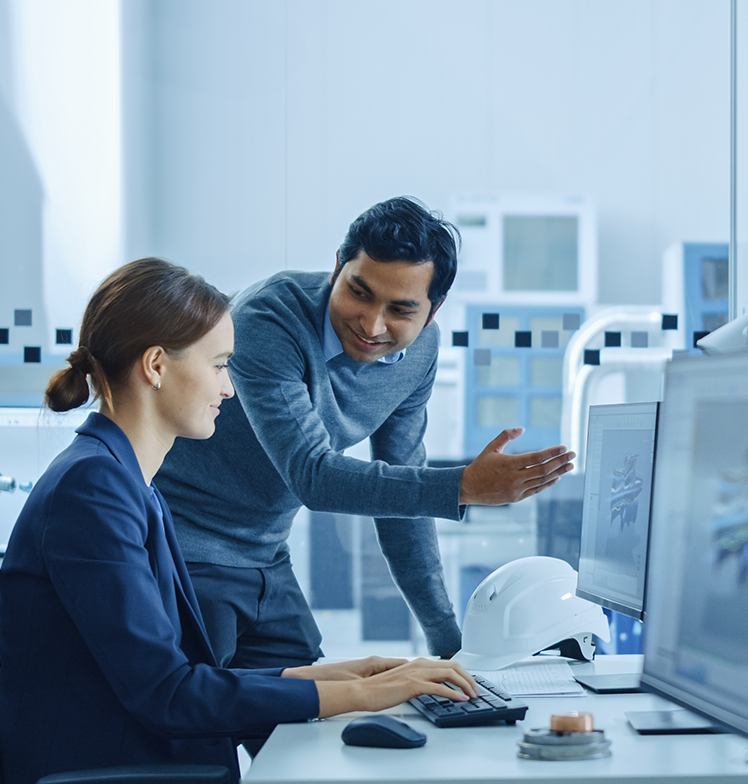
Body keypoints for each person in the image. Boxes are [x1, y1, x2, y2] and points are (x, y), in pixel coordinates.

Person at [0, 257, 479, 784]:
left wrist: (353, 676)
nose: (230, 388)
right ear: (157, 367)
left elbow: (183, 676)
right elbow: (171, 695)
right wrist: (367, 691)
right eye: (221, 365)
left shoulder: (121, 481)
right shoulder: (93, 493)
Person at [155, 196, 575, 673]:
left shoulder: (419, 354)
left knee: (307, 721)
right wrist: (461, 487)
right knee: (201, 730)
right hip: (185, 549)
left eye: (400, 309)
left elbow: (404, 498)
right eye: (359, 292)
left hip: (266, 553)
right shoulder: (267, 320)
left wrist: (451, 646)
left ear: (432, 313)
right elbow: (312, 476)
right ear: (337, 268)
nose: (371, 324)